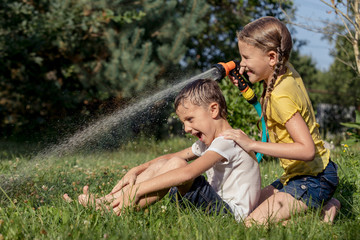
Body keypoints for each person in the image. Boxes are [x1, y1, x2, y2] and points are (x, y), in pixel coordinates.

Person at [64, 79, 261, 222]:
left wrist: (135, 190)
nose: (186, 129)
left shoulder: (228, 140)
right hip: (210, 203)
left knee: (177, 167)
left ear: (213, 110)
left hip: (227, 214)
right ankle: (108, 203)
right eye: (183, 122)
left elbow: (187, 173)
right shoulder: (211, 142)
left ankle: (112, 206)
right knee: (166, 163)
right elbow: (169, 158)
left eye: (190, 119)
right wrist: (137, 170)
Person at [221, 16, 340, 226]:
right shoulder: (283, 72)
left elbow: (306, 150)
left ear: (273, 57)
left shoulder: (280, 96)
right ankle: (316, 205)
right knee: (246, 207)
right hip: (297, 175)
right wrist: (245, 80)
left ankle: (324, 208)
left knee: (251, 225)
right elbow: (266, 75)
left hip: (314, 179)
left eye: (246, 58)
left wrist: (252, 144)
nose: (241, 66)